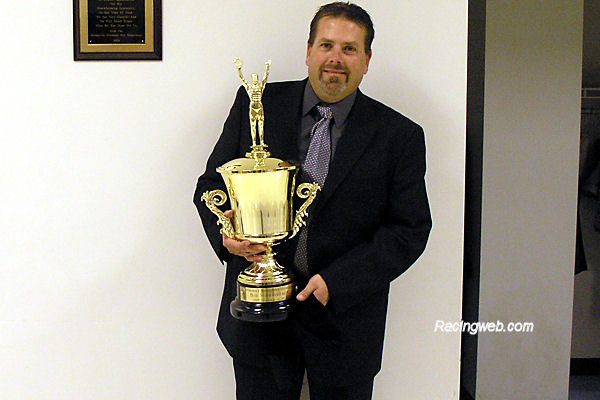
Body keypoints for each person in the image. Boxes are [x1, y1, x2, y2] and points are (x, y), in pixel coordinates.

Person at [194, 2, 432, 399]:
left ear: (367, 60)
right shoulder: (257, 107)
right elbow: (210, 187)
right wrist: (227, 234)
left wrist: (336, 283)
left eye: (350, 49)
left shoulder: (399, 135)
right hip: (259, 315)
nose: (335, 58)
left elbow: (408, 231)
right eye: (326, 45)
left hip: (345, 322)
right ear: (308, 52)